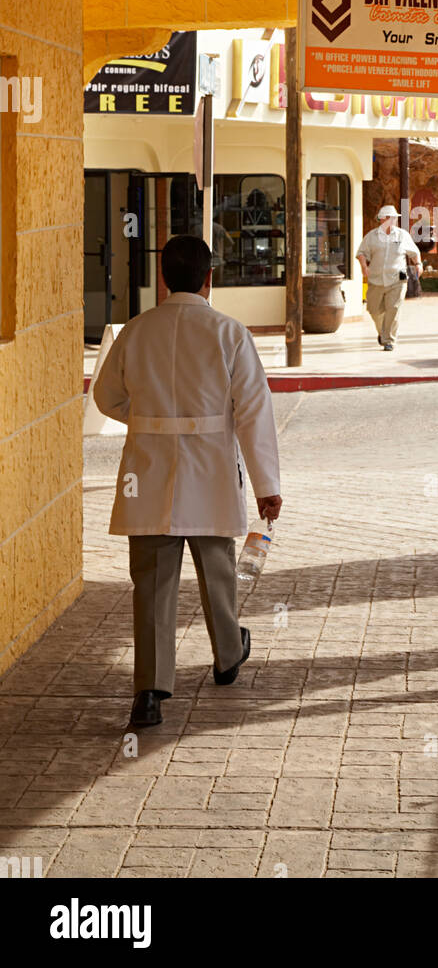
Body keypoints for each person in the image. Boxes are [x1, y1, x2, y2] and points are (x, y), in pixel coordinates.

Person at [93, 235, 282, 730]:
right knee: (216, 567)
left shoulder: (136, 331)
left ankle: (150, 692)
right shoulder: (229, 332)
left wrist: (146, 416)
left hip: (148, 471)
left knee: (152, 581)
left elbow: (106, 397)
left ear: (163, 278)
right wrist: (267, 485)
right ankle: (226, 657)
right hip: (211, 468)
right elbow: (254, 413)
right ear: (208, 278)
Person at [355, 204, 422, 351]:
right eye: (391, 218)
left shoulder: (402, 235)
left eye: (395, 218)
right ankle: (383, 332)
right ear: (382, 219)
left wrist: (419, 264)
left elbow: (414, 252)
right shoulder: (371, 236)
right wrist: (364, 266)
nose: (394, 221)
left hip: (399, 277)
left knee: (394, 308)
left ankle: (389, 340)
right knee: (373, 309)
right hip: (376, 278)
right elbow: (361, 253)